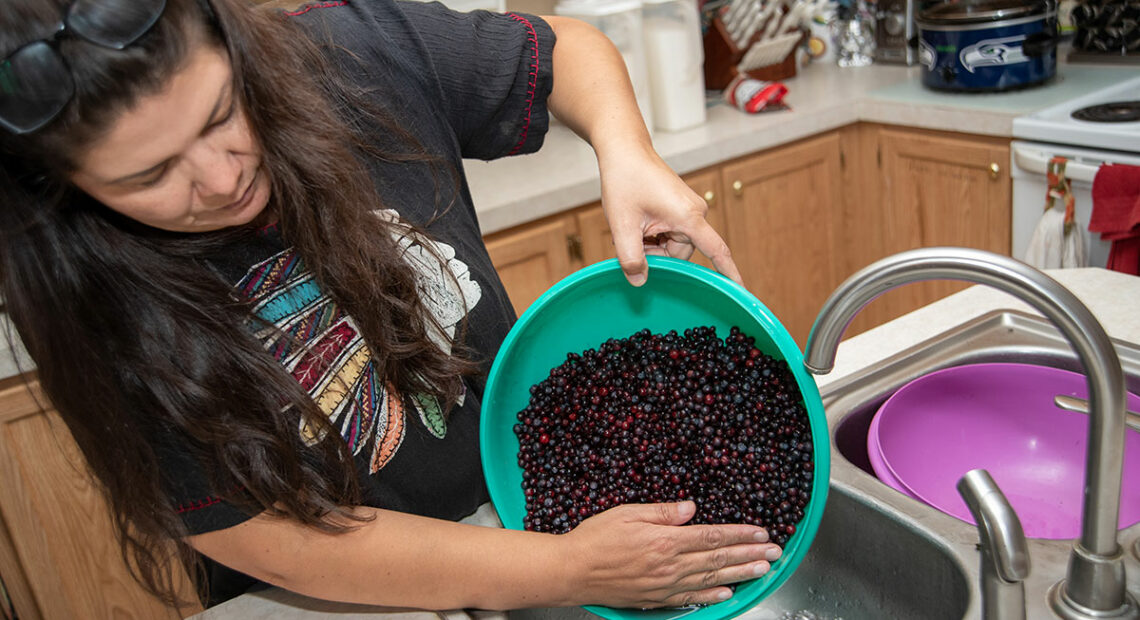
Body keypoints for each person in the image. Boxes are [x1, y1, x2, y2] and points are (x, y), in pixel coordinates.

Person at [0, 0, 780, 613]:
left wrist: (626, 150)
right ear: (65, 190)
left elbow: (566, 50)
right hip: (348, 595)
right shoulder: (89, 296)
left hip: (519, 508)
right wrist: (571, 568)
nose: (220, 176)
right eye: (150, 175)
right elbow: (268, 534)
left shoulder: (353, 53)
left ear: (236, 51)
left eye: (219, 115)